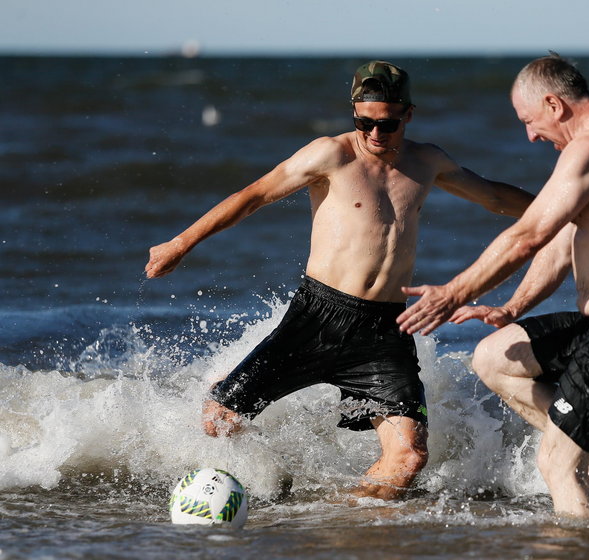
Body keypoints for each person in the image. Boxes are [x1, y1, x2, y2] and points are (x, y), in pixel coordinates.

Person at [144, 60, 534, 500]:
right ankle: (252, 469)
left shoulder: (427, 162)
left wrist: (565, 210)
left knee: (409, 458)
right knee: (219, 422)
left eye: (385, 124)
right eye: (363, 122)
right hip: (319, 316)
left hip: (385, 330)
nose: (374, 134)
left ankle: (347, 523)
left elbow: (496, 197)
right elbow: (252, 197)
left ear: (408, 114)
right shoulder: (331, 154)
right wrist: (180, 244)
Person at [396, 53, 589, 517]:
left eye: (529, 121)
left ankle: (582, 522)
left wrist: (452, 293)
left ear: (554, 104)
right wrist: (511, 308)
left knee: (556, 464)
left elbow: (527, 236)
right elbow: (558, 242)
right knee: (494, 355)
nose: (530, 135)